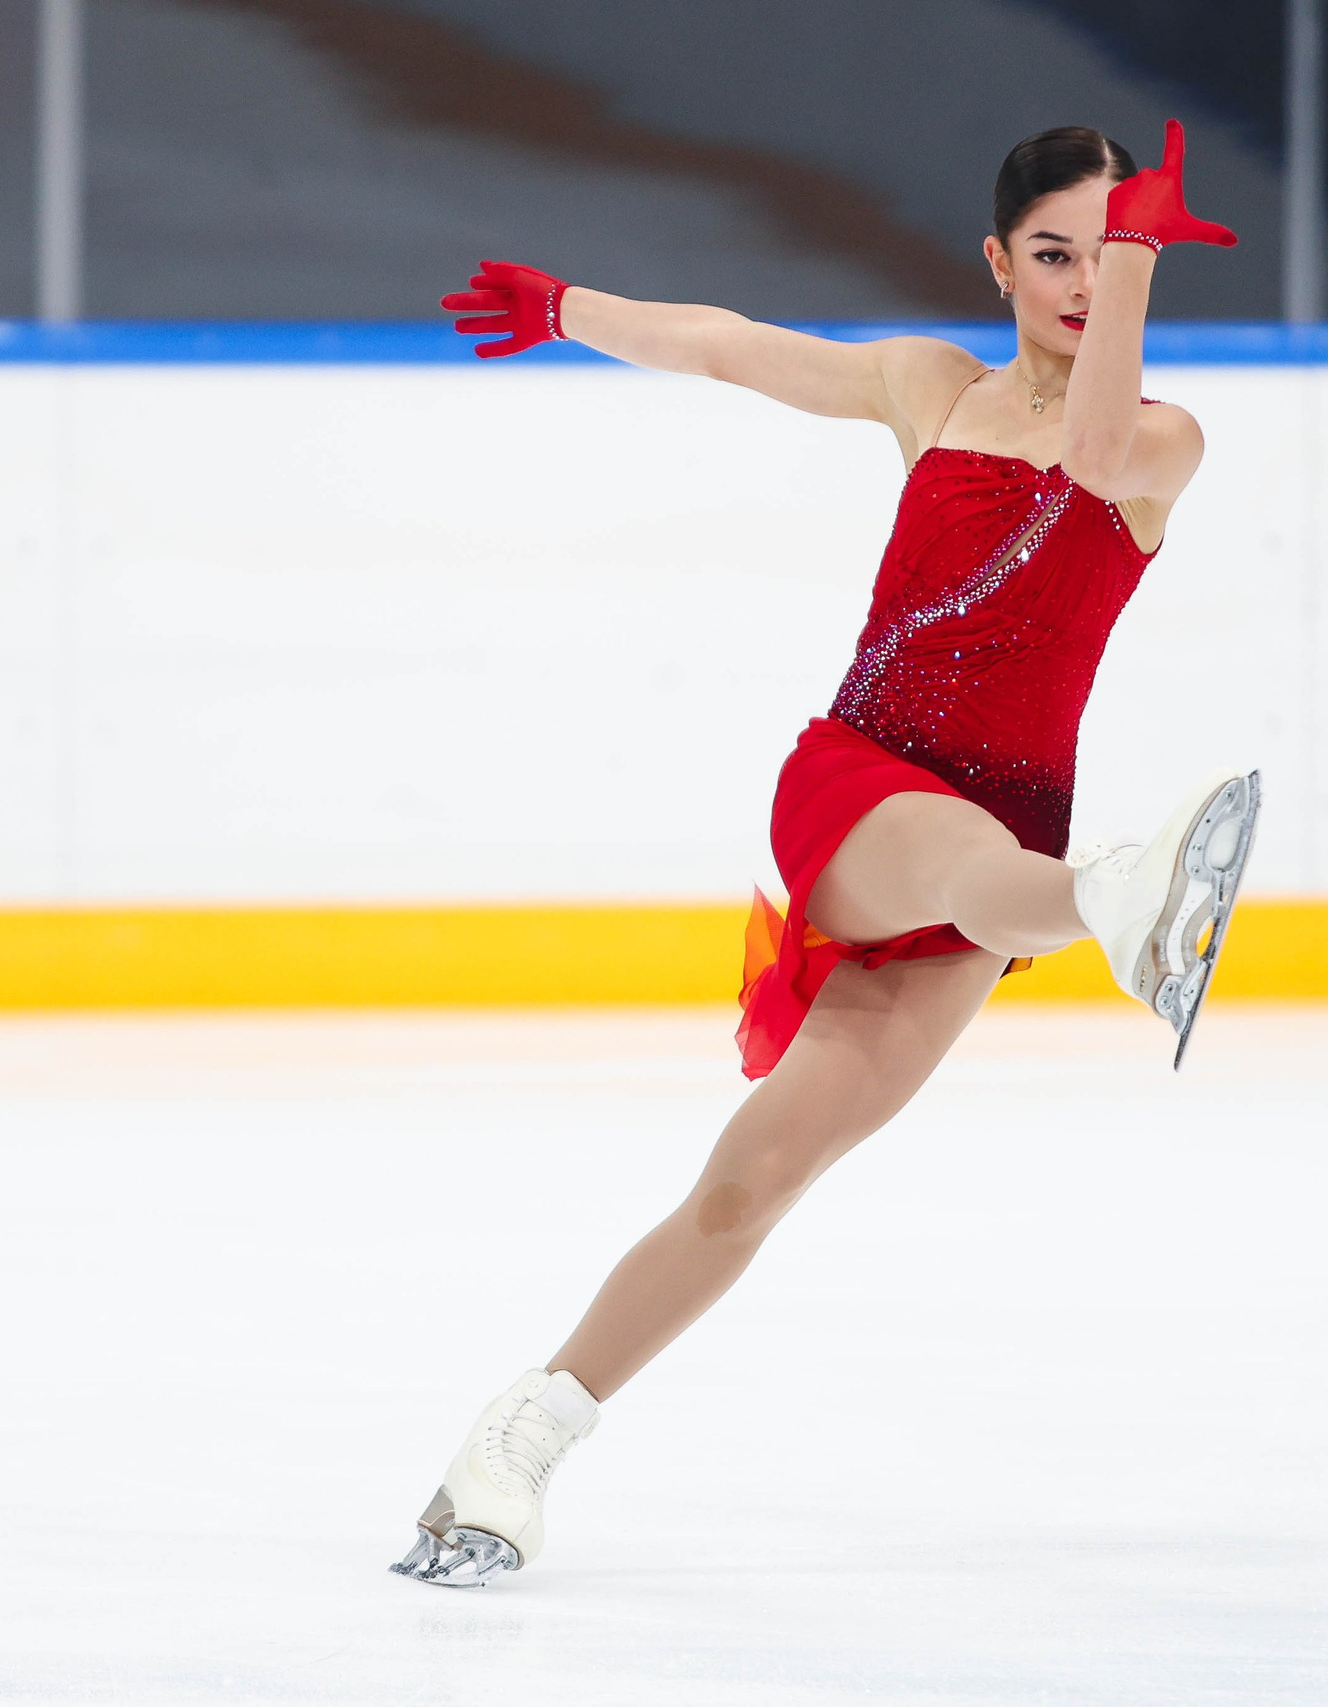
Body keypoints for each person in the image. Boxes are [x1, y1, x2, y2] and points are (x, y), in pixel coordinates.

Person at [392, 122, 1261, 1588]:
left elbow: (1097, 449)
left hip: (1005, 842)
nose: (1080, 282)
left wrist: (1133, 262)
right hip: (859, 783)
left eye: (1111, 253)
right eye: (1055, 250)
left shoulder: (1163, 442)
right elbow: (728, 346)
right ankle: (1126, 900)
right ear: (999, 261)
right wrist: (564, 310)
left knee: (752, 1187)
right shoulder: (929, 388)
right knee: (960, 864)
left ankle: (514, 1442)